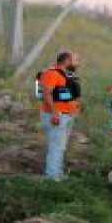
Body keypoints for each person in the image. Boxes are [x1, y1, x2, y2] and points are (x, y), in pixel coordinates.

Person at [37, 51, 82, 181]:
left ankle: (58, 173)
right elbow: (46, 94)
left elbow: (69, 96)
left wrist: (75, 109)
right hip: (57, 116)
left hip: (67, 116)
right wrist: (54, 112)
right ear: (67, 61)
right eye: (76, 60)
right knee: (56, 146)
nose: (78, 63)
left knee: (61, 146)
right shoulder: (51, 73)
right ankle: (52, 176)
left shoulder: (67, 76)